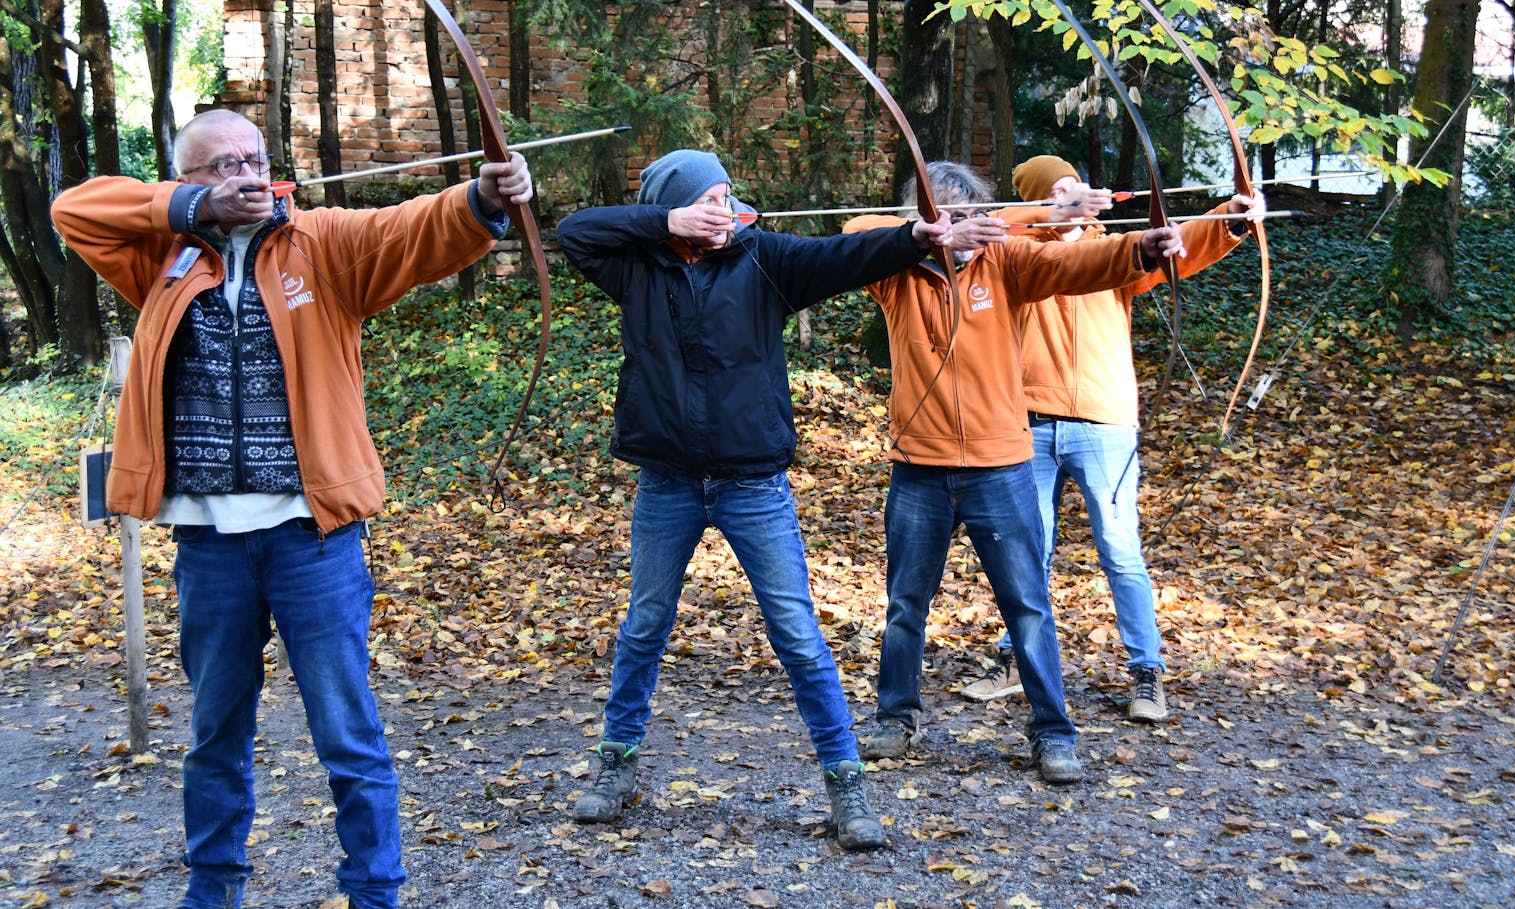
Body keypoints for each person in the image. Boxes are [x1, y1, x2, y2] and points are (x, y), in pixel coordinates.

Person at [51, 108, 533, 909]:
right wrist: (190, 212)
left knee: (347, 732)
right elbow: (74, 210)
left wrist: (480, 200)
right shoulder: (158, 255)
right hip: (208, 544)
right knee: (215, 736)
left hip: (312, 539)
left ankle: (375, 892)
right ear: (186, 181)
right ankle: (213, 892)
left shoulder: (321, 242)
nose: (244, 172)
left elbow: (409, 230)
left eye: (254, 158)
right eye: (220, 165)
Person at [554, 148, 952, 851]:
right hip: (668, 482)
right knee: (645, 625)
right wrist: (664, 220)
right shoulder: (637, 266)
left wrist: (914, 237)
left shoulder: (764, 258)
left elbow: (844, 257)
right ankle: (614, 768)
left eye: (728, 196)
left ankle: (846, 784)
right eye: (708, 198)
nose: (725, 208)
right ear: (677, 206)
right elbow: (574, 231)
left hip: (753, 484)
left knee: (798, 633)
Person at [844, 162, 1186, 781]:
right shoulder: (891, 273)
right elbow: (854, 227)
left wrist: (1141, 246)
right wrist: (929, 236)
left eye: (969, 212)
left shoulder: (1009, 263)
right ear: (917, 220)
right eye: (941, 212)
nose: (960, 223)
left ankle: (1053, 730)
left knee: (1027, 605)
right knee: (904, 604)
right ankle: (895, 716)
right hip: (919, 467)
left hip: (1000, 466)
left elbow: (1078, 265)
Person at [958, 154, 1264, 723]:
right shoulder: (1012, 254)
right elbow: (1002, 225)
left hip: (1104, 423)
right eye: (1057, 190)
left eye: (1077, 186)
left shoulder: (1116, 250)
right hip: (1027, 421)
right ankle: (1015, 663)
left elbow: (1178, 244)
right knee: (1029, 554)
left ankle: (1147, 673)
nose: (1073, 195)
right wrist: (1052, 211)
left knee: (1121, 552)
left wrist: (1231, 219)